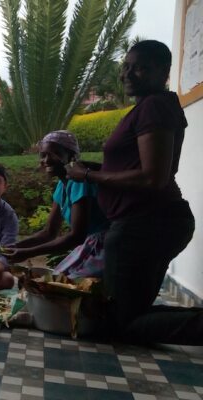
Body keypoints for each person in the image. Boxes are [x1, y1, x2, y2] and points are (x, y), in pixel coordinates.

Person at [65, 40, 202, 344]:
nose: (129, 73)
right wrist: (96, 168)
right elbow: (141, 165)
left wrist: (89, 175)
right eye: (126, 66)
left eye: (141, 67)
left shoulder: (153, 107)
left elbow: (153, 177)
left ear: (164, 72)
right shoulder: (149, 107)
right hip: (150, 223)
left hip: (145, 225)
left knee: (120, 323)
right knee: (129, 313)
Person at [6, 131, 109, 279]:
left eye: (55, 153)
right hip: (90, 246)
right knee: (56, 281)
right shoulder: (62, 185)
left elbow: (77, 236)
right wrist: (16, 247)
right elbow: (49, 232)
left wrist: (29, 252)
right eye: (43, 155)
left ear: (71, 157)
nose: (46, 160)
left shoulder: (80, 183)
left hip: (104, 248)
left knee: (64, 285)